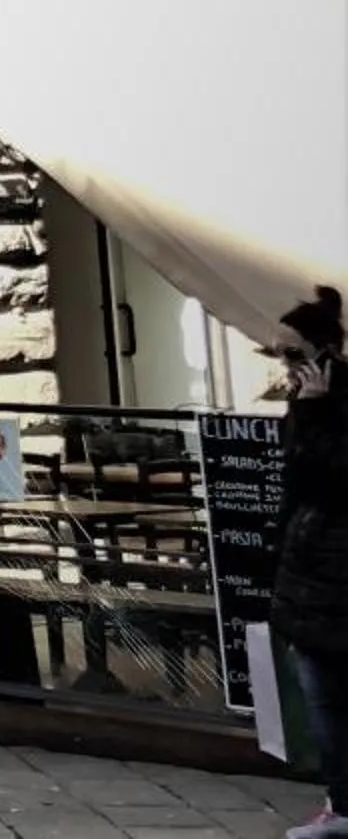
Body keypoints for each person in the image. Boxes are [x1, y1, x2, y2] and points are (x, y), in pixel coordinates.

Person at [274, 286, 348, 839]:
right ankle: (341, 804)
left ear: (325, 353)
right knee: (322, 701)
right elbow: (294, 488)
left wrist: (317, 416)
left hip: (339, 576)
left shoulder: (333, 406)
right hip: (308, 576)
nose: (285, 366)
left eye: (294, 354)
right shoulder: (303, 405)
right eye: (278, 355)